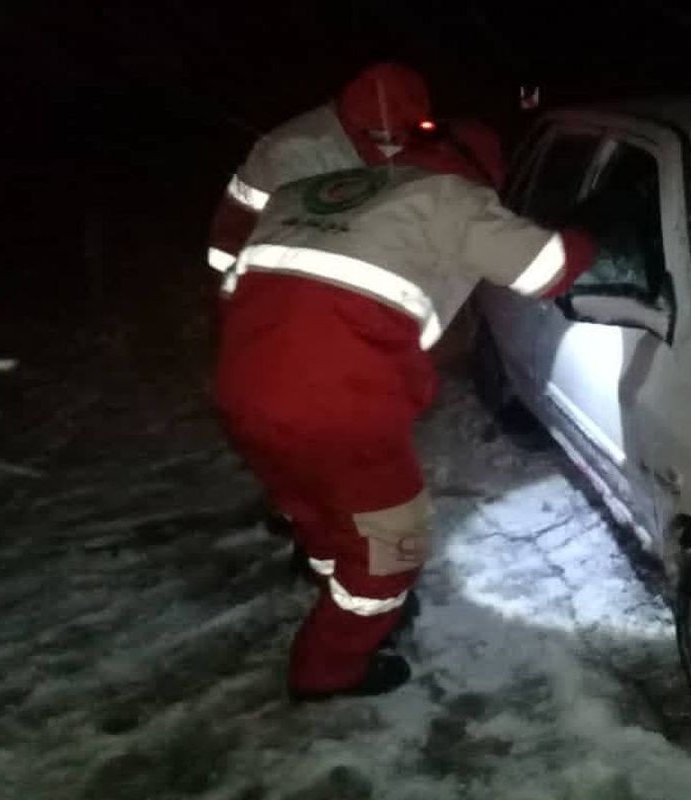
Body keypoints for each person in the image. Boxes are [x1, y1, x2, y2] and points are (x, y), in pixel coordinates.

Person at [208, 62, 596, 700]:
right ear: (482, 171)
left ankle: (335, 579)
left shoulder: (310, 191)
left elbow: (237, 282)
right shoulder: (453, 199)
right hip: (340, 406)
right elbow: (549, 269)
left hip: (242, 388)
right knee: (393, 546)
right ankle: (331, 666)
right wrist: (593, 231)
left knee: (313, 504)